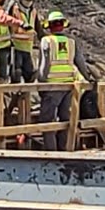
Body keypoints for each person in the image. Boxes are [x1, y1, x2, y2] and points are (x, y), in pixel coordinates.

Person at [39, 11, 90, 142]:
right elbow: (80, 63)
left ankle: (51, 153)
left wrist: (41, 83)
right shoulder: (71, 43)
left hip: (52, 86)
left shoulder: (46, 41)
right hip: (68, 86)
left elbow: (44, 64)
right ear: (63, 25)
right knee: (65, 119)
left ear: (49, 26)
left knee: (47, 121)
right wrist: (88, 79)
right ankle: (64, 150)